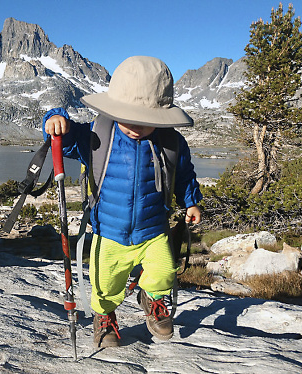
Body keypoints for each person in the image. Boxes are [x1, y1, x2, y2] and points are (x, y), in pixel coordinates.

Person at [43, 56, 203, 347]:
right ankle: (104, 318)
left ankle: (152, 299)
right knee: (105, 285)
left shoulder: (171, 143)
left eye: (146, 120)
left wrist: (191, 201)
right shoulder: (97, 134)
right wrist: (55, 118)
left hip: (154, 229)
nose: (136, 126)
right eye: (128, 116)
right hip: (109, 232)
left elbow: (184, 175)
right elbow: (65, 140)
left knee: (164, 271)